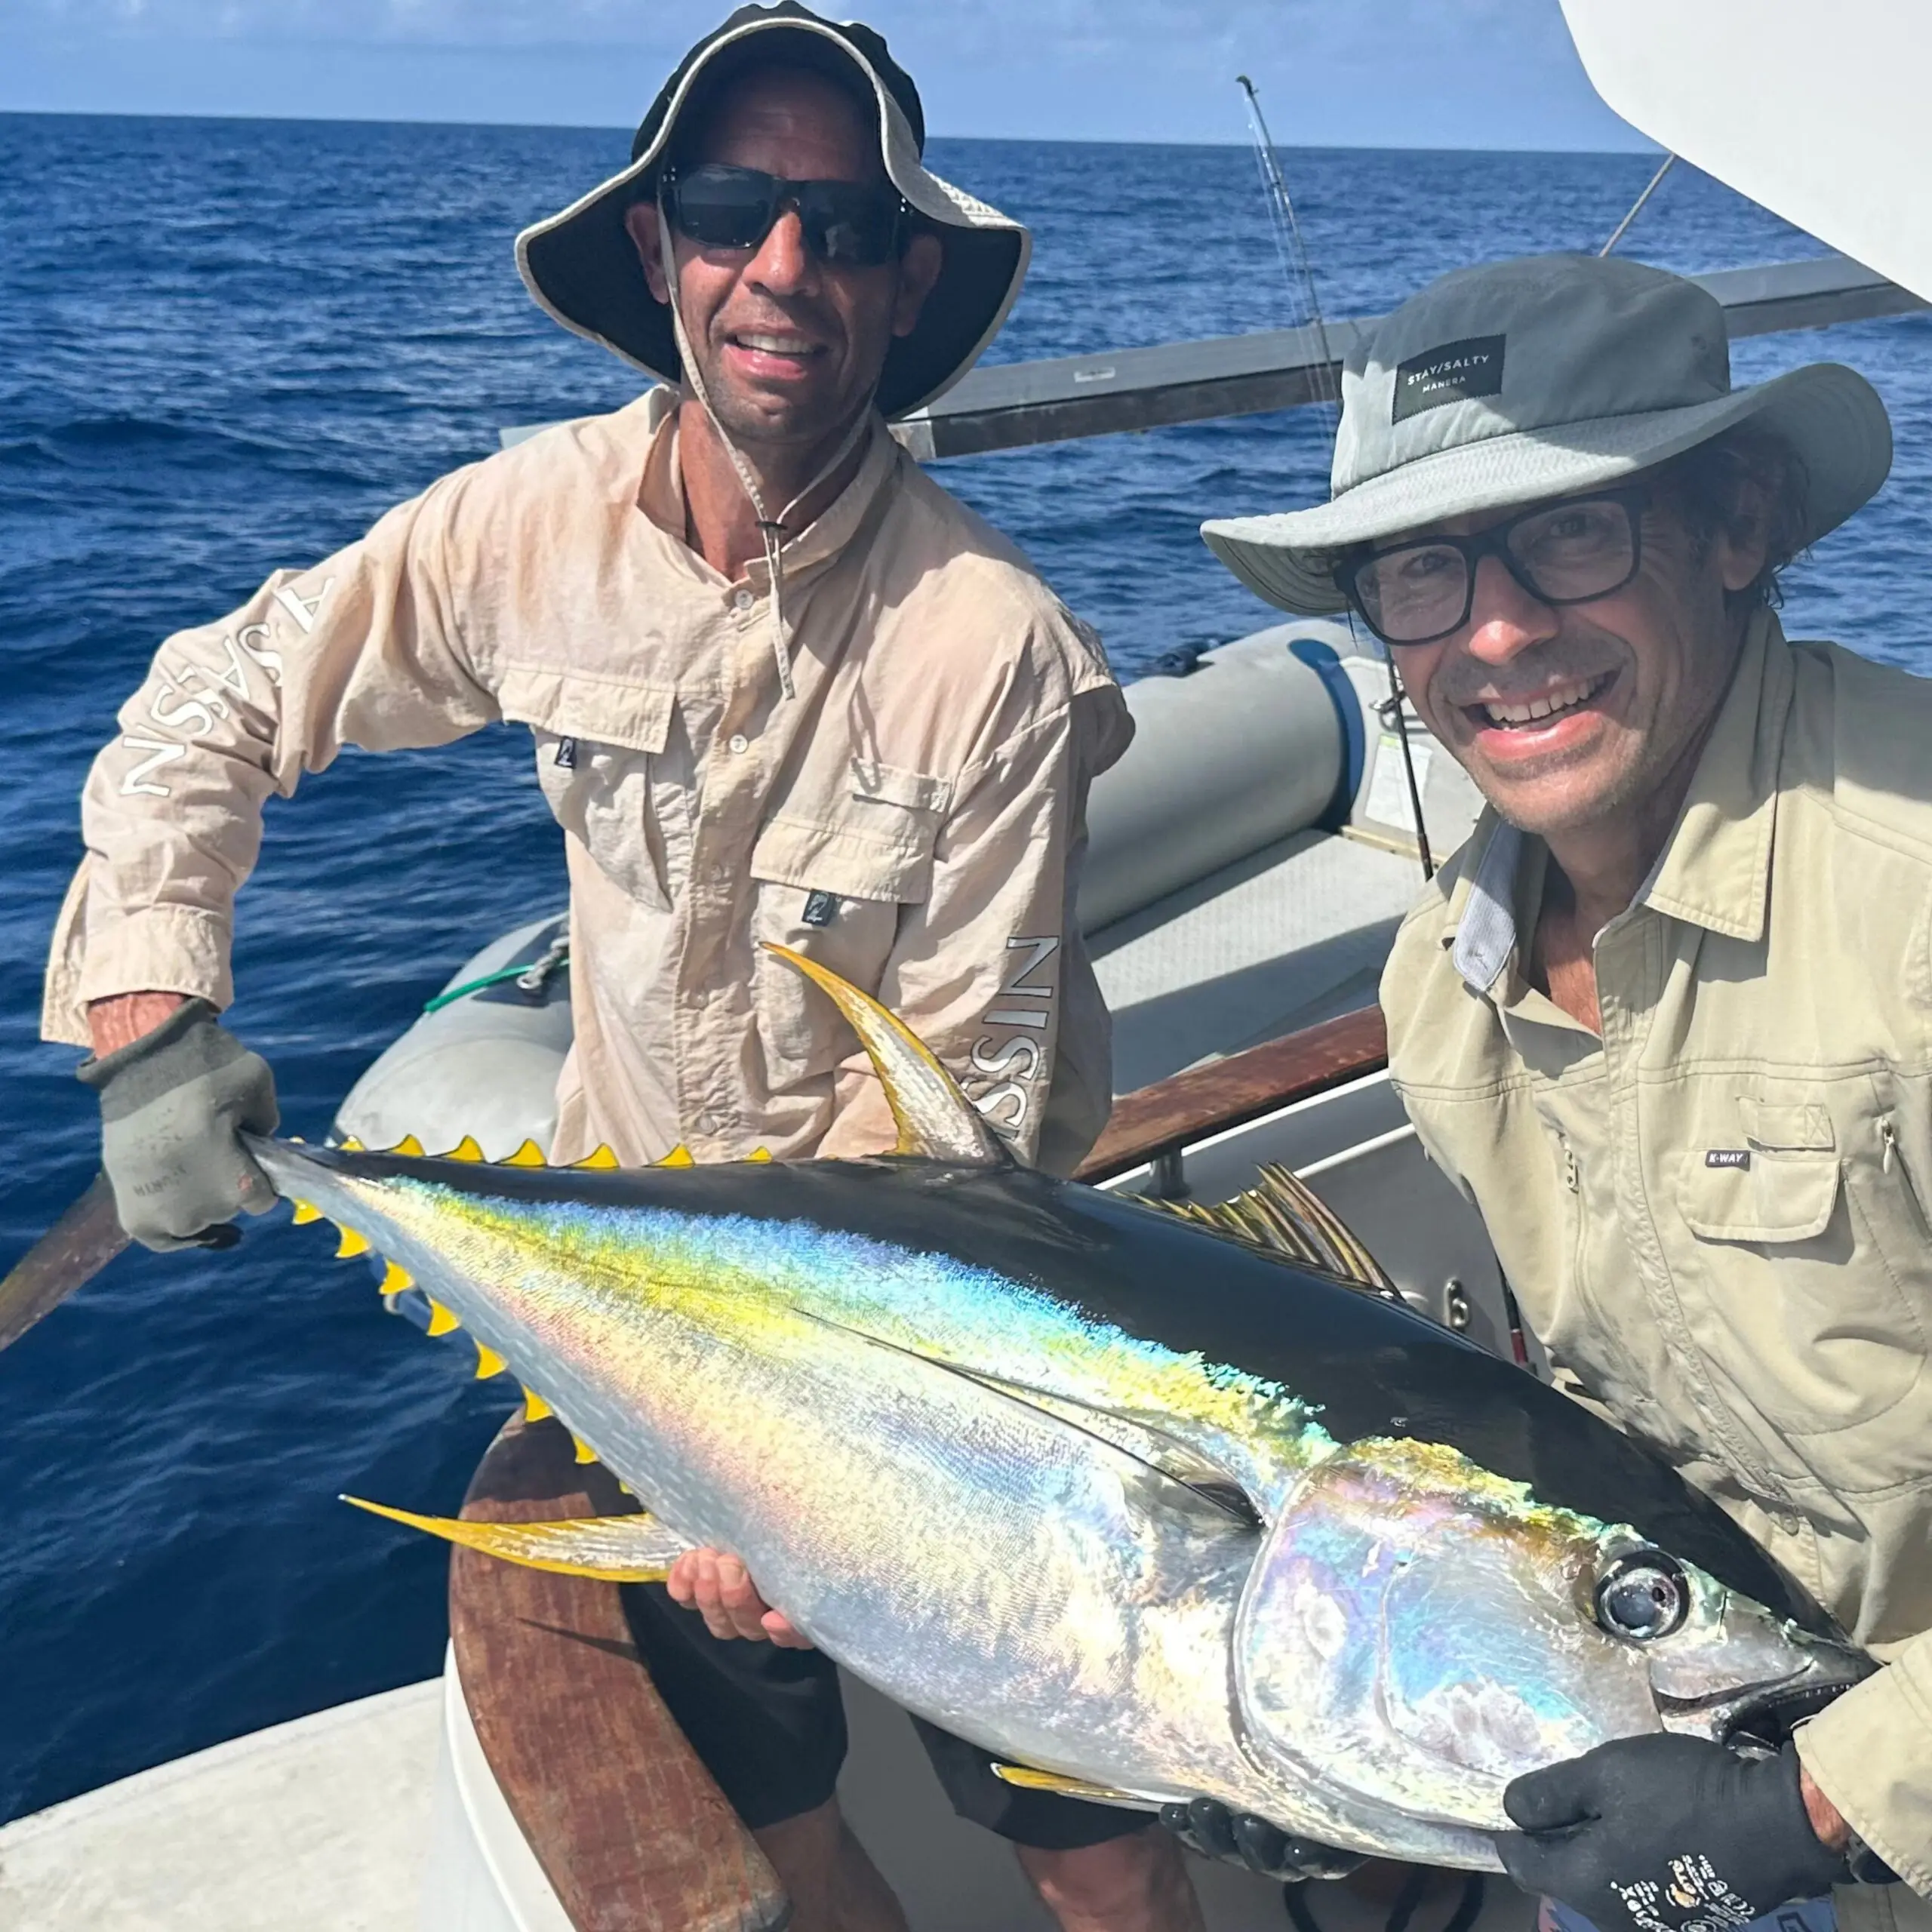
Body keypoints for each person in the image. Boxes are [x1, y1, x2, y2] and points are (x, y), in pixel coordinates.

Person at [38, 7, 1204, 1929]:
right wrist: (153, 1017)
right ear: (659, 247)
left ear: (906, 282)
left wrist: (796, 1467)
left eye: (837, 225)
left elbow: (959, 1120)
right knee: (779, 1836)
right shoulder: (526, 524)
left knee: (1100, 1858)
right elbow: (218, 696)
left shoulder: (993, 643)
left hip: (956, 1372)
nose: (781, 267)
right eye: (732, 207)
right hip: (646, 1341)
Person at [1189, 251, 1930, 1931]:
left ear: (1733, 524)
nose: (1500, 630)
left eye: (1571, 533)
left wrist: (1812, 1800)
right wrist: (1317, 1737)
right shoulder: (1443, 982)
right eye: (1423, 568)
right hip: (1693, 1739)